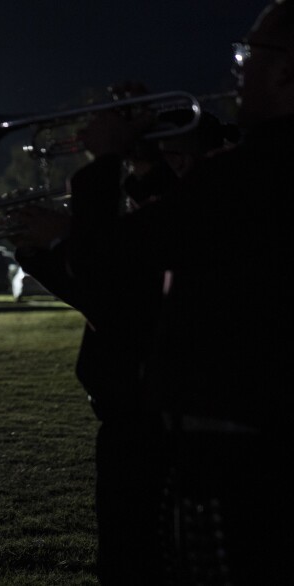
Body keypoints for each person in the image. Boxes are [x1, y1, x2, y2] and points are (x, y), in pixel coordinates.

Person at [64, 1, 294, 581]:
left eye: (251, 53)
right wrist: (145, 165)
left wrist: (105, 159)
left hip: (236, 467)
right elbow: (201, 234)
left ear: (288, 69)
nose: (239, 67)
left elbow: (106, 272)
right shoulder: (251, 177)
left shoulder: (248, 172)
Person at [9, 109, 237, 585]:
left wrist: (60, 245)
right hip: (132, 421)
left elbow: (121, 310)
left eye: (177, 154)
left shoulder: (209, 216)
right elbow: (104, 301)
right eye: (162, 154)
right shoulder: (183, 209)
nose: (167, 165)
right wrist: (43, 254)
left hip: (151, 426)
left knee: (136, 563)